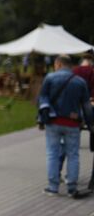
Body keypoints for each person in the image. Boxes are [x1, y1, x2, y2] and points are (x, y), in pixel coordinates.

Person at [38, 54, 90, 196]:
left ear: (59, 64)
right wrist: (91, 125)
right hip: (73, 124)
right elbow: (86, 106)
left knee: (52, 153)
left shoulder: (49, 78)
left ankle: (53, 187)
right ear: (70, 65)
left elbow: (42, 99)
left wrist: (42, 119)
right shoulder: (80, 82)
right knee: (73, 154)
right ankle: (72, 187)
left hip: (53, 122)